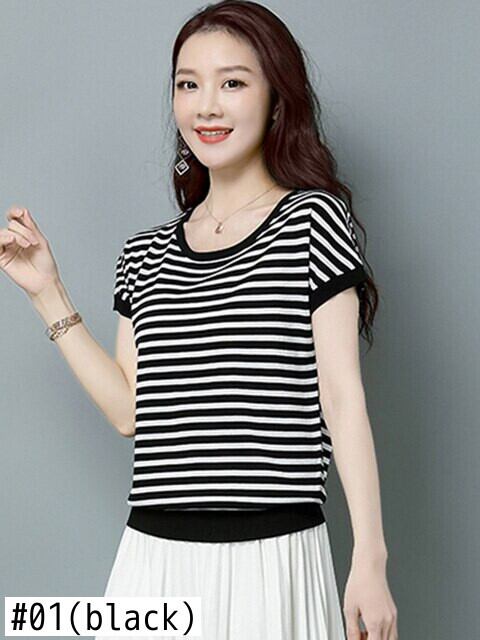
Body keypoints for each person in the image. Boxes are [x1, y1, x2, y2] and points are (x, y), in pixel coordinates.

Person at [1, 1, 398, 638]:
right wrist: (47, 293)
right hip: (153, 561)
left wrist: (369, 560)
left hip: (273, 557)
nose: (206, 106)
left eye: (232, 82)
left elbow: (342, 399)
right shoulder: (145, 253)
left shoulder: (312, 223)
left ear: (277, 100)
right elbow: (131, 413)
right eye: (188, 85)